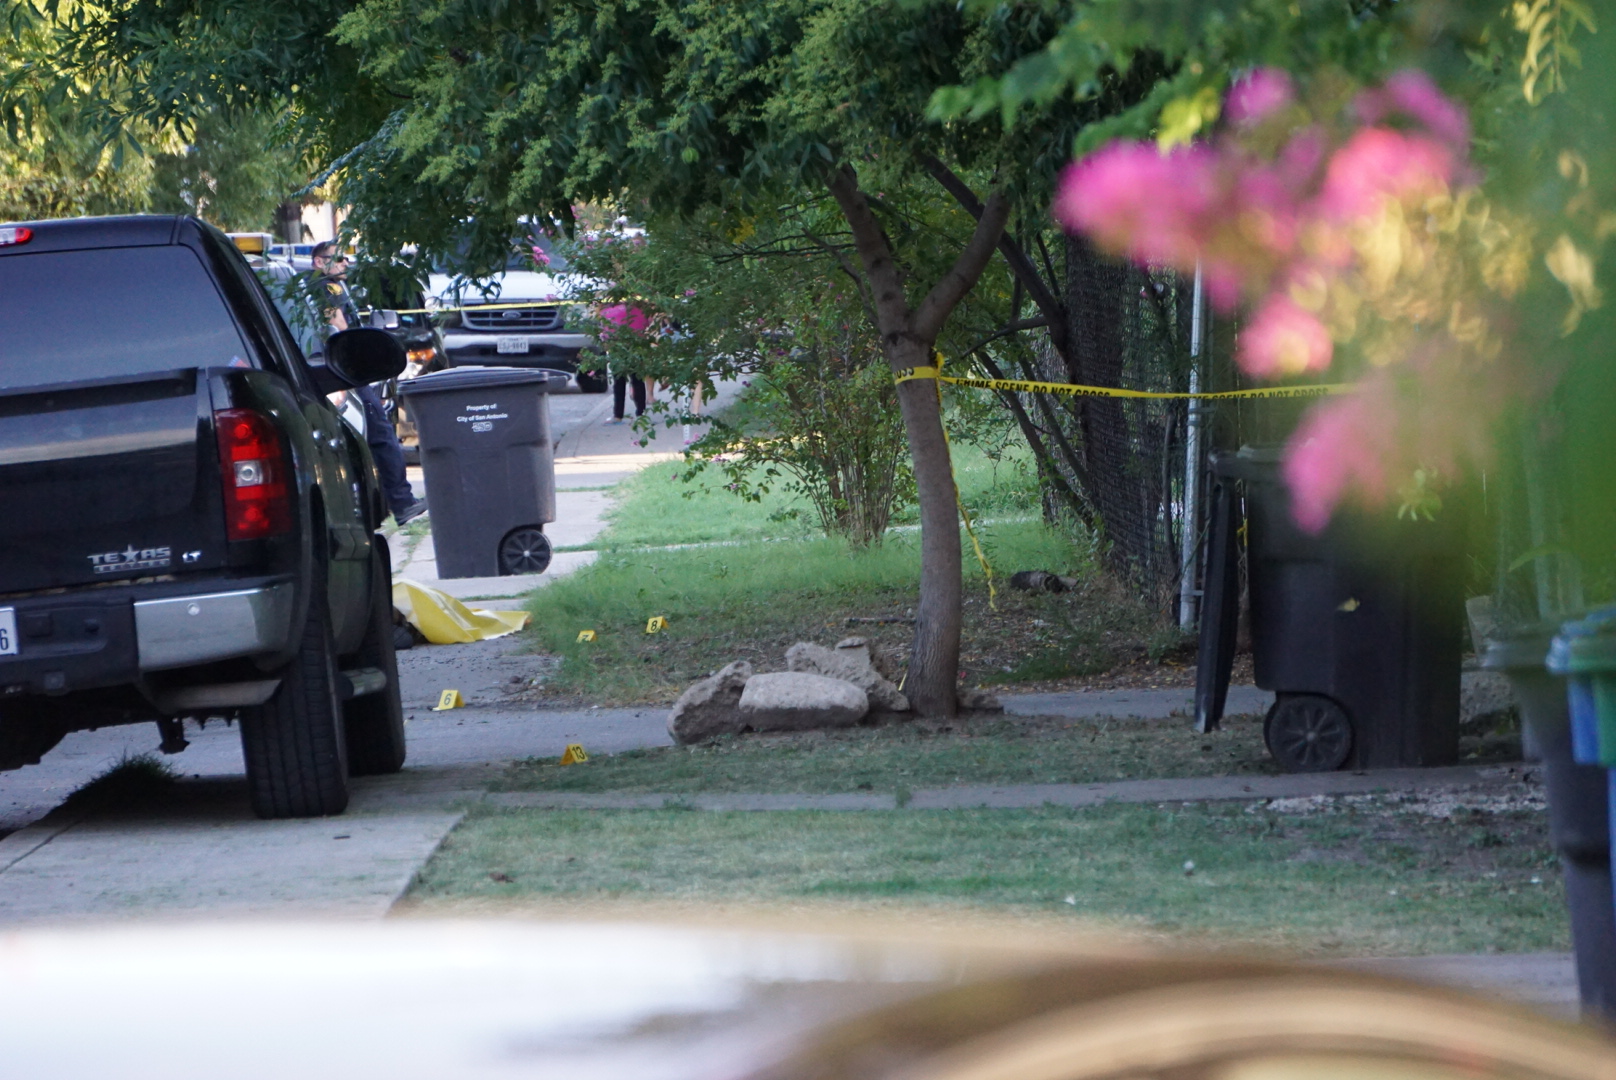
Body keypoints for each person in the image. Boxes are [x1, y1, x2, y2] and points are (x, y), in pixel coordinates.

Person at [311, 240, 428, 526]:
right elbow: (338, 327)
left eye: (345, 259)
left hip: (332, 370)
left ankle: (387, 503)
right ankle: (401, 502)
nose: (343, 263)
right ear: (318, 262)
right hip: (344, 371)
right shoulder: (325, 289)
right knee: (381, 434)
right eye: (336, 259)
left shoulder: (322, 288)